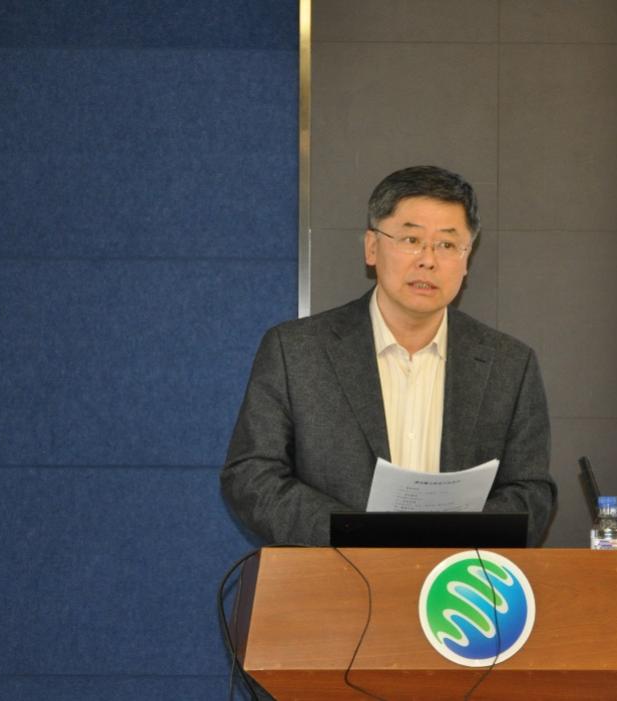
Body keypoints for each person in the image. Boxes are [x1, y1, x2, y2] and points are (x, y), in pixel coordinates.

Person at [220, 165, 556, 546]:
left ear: (467, 261)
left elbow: (531, 492)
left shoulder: (510, 365)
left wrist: (453, 539)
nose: (428, 260)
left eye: (447, 245)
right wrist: (356, 535)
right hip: (334, 573)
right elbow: (251, 476)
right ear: (371, 247)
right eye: (411, 239)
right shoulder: (295, 352)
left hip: (455, 579)